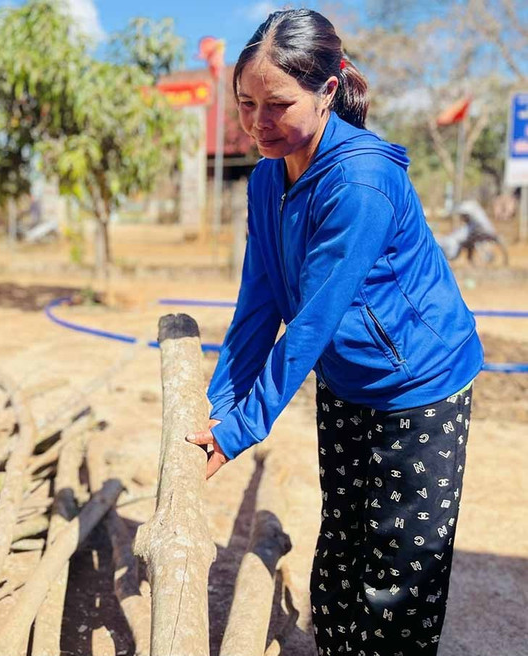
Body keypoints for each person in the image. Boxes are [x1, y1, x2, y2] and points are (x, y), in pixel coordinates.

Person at [183, 9, 483, 656]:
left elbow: (311, 321)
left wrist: (240, 432)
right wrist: (218, 407)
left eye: (278, 104)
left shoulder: (361, 183)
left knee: (400, 568)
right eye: (246, 104)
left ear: (327, 92)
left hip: (419, 385)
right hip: (347, 378)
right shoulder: (267, 177)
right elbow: (259, 304)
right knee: (344, 539)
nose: (259, 123)